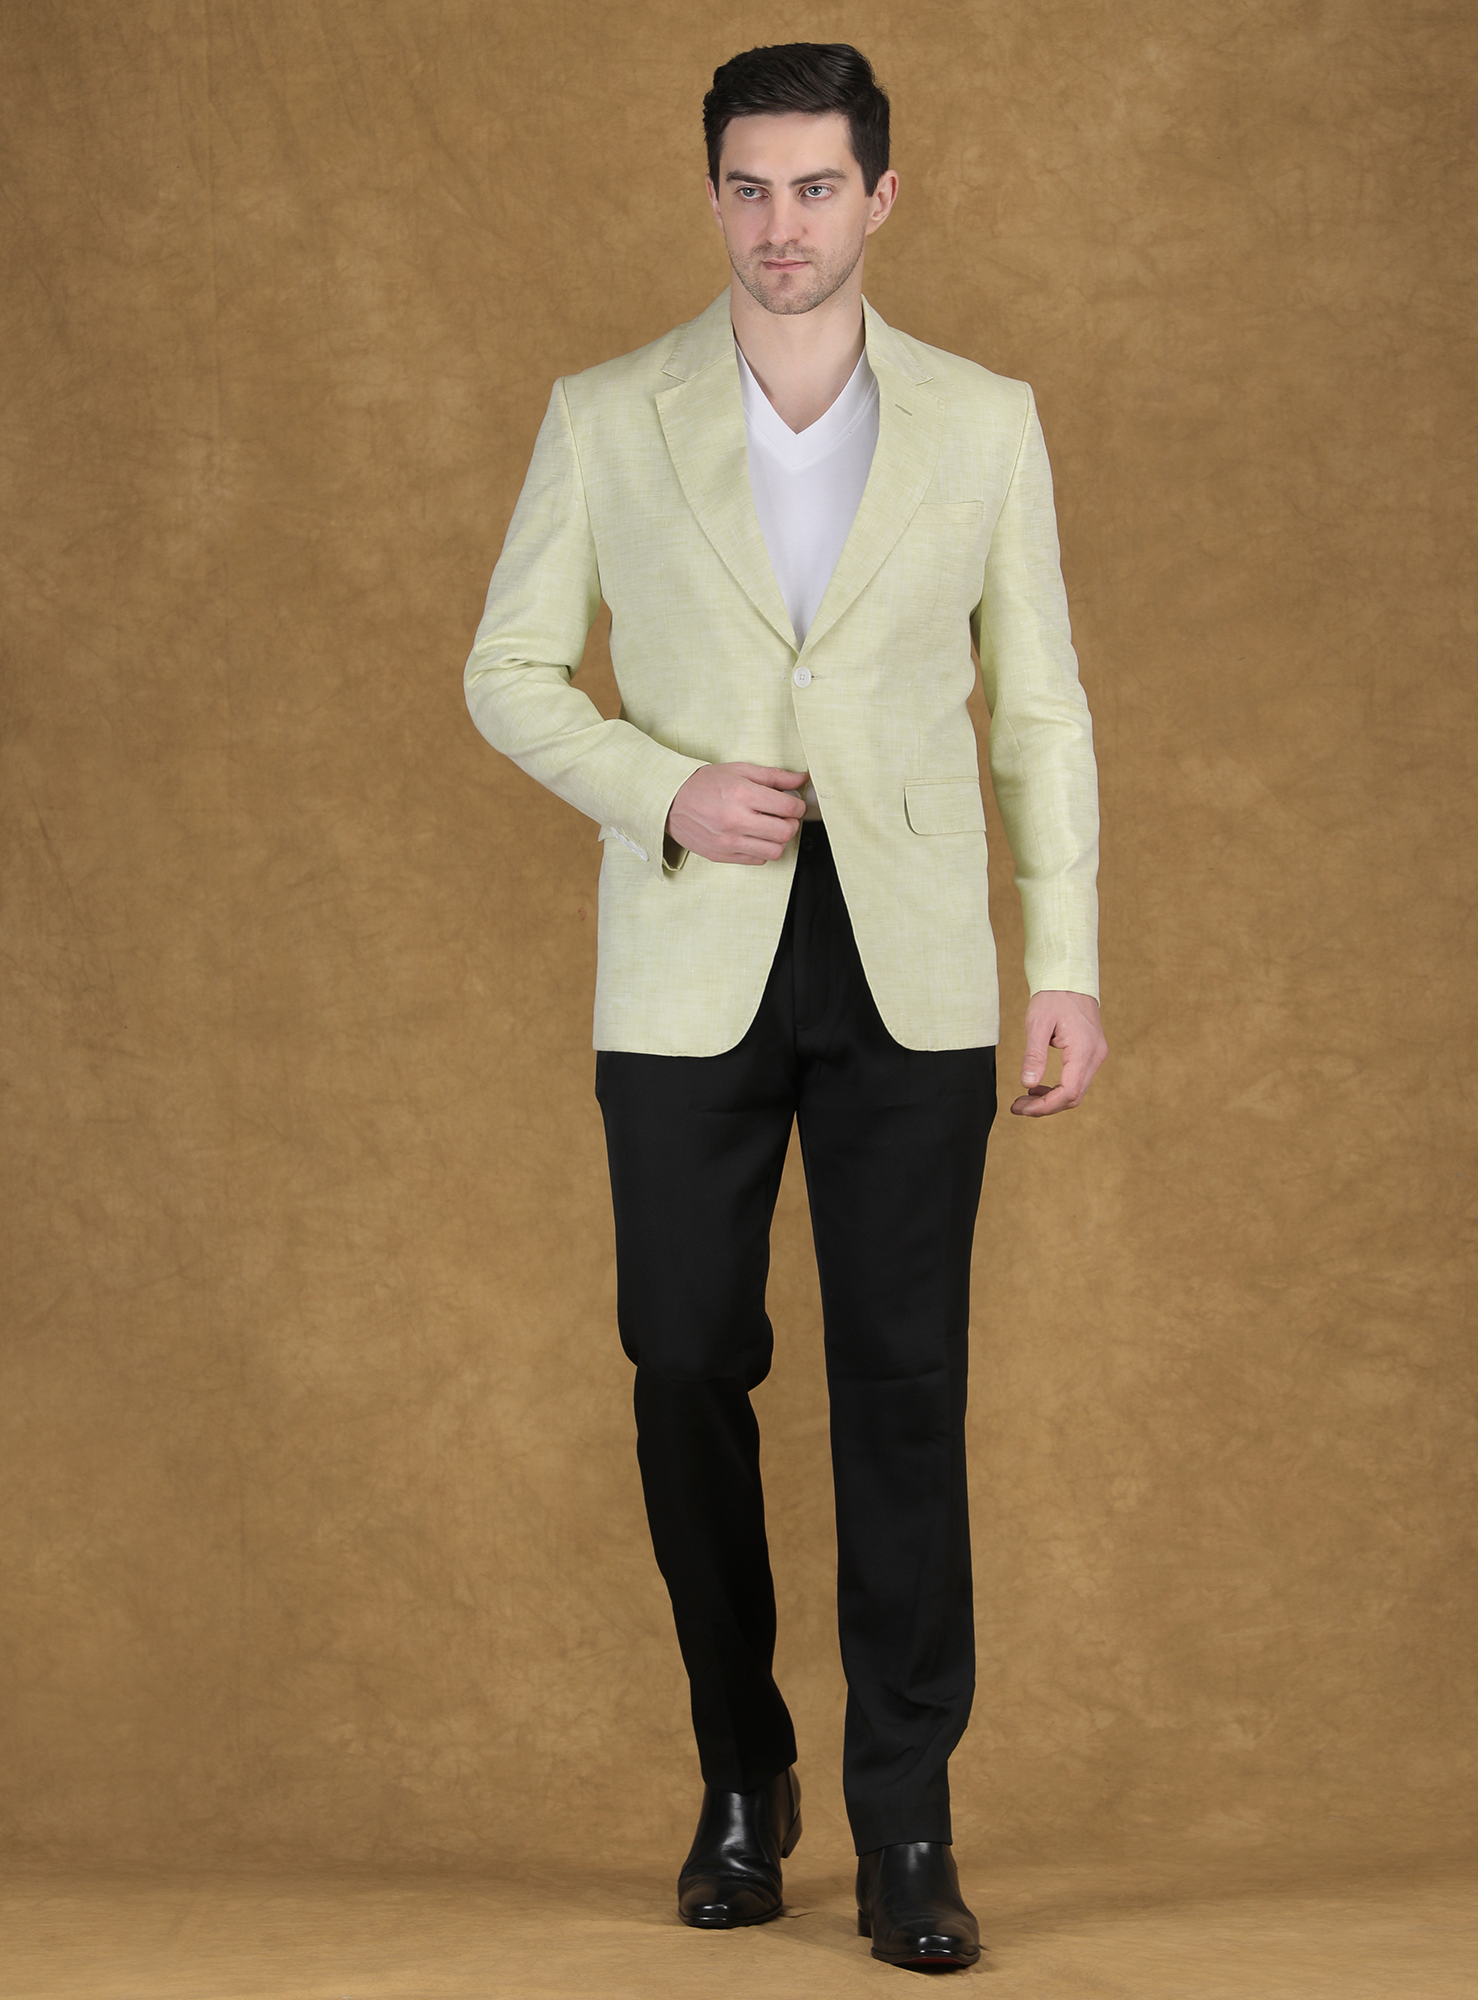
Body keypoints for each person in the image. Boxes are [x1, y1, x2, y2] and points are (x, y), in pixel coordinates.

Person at [463, 41, 1105, 1972]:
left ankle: (908, 1823)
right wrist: (662, 787)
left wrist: (1064, 958)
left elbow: (1040, 705)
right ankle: (744, 1781)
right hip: (689, 952)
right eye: (749, 186)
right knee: (681, 1361)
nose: (782, 223)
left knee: (905, 1387)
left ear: (879, 197)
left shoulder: (986, 421)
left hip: (913, 959)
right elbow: (507, 670)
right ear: (713, 196)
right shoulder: (607, 413)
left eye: (818, 186)